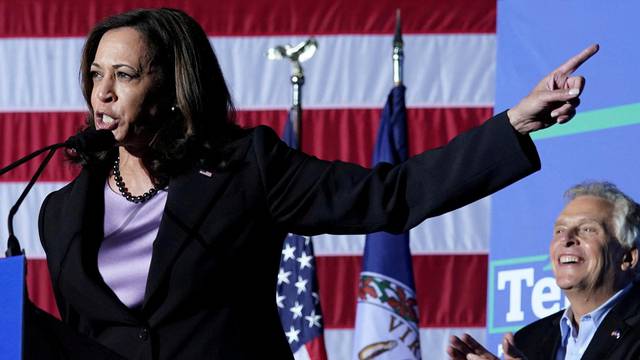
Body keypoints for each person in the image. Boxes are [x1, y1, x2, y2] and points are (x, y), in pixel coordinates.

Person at [36, 7, 598, 360]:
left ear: (174, 88)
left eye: (125, 75)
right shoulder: (60, 211)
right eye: (95, 75)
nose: (102, 93)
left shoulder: (244, 169)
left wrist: (515, 124)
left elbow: (389, 195)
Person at [448, 182, 640, 360]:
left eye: (587, 229)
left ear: (628, 258)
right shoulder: (528, 340)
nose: (566, 238)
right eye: (559, 230)